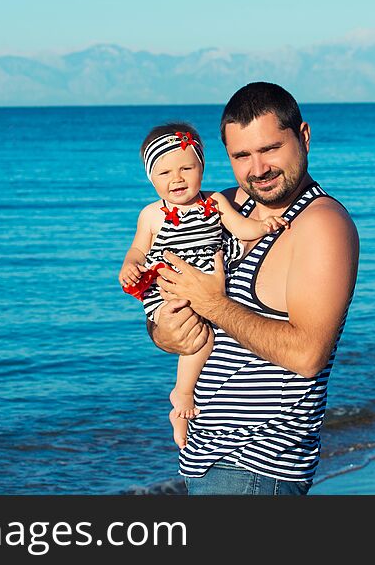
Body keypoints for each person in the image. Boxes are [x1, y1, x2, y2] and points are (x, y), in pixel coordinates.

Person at [151, 82, 359, 495]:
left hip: (258, 471)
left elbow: (307, 355)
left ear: (303, 136)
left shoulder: (321, 226)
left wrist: (212, 303)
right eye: (241, 155)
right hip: (204, 459)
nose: (257, 168)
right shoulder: (223, 208)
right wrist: (165, 332)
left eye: (270, 149)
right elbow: (172, 304)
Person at [119, 123, 289, 449]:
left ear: (202, 168)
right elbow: (138, 249)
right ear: (151, 179)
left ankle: (183, 418)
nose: (177, 178)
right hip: (168, 287)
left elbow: (241, 229)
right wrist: (129, 265)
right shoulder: (152, 214)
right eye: (164, 172)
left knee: (209, 335)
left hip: (209, 276)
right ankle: (182, 393)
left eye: (187, 167)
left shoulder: (214, 203)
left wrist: (264, 225)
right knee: (201, 337)